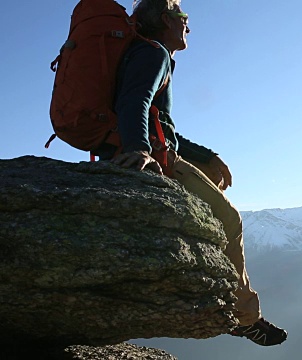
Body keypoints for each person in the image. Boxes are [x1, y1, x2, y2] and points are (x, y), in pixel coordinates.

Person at [94, 0, 287, 346]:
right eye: (184, 17)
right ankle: (245, 318)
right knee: (229, 218)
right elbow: (134, 102)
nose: (188, 26)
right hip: (152, 157)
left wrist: (207, 157)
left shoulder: (142, 53)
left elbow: (162, 125)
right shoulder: (154, 54)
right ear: (167, 20)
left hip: (136, 149)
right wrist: (140, 150)